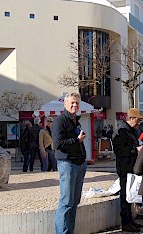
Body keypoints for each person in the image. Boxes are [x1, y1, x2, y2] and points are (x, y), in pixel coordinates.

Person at [51, 92, 87, 234]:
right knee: (66, 202)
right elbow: (58, 144)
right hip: (67, 163)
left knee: (74, 202)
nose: (74, 105)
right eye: (72, 102)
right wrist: (77, 140)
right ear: (65, 104)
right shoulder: (59, 121)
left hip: (79, 164)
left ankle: (69, 231)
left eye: (77, 103)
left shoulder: (75, 121)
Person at [112, 108, 143, 232]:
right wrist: (135, 150)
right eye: (138, 120)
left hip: (131, 166)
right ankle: (125, 223)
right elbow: (119, 151)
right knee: (125, 196)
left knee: (130, 195)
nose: (139, 123)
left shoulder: (131, 131)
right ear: (131, 118)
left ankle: (130, 220)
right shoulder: (120, 131)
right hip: (125, 167)